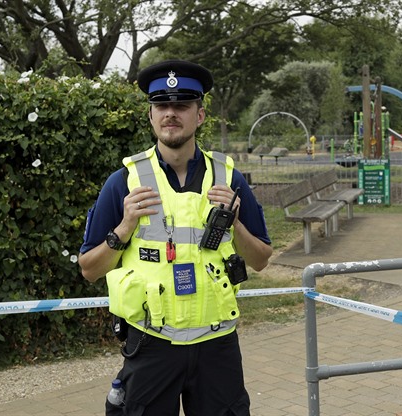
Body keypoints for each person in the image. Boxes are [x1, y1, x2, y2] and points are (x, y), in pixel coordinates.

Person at [78, 59, 273, 416]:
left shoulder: (228, 178)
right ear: (151, 116)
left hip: (217, 346)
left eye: (181, 105)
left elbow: (261, 258)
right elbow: (89, 269)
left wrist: (236, 226)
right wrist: (123, 228)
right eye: (162, 106)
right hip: (151, 345)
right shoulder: (123, 182)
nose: (171, 114)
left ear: (199, 115)